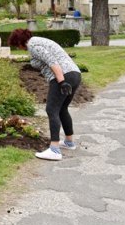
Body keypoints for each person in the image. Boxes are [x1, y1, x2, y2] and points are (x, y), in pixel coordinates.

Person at [8, 28, 82, 161]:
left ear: (19, 41)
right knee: (62, 109)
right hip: (74, 74)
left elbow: (52, 61)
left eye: (16, 45)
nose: (18, 48)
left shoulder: (33, 45)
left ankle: (54, 150)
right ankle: (69, 142)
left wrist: (62, 82)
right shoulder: (38, 41)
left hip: (63, 76)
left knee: (51, 109)